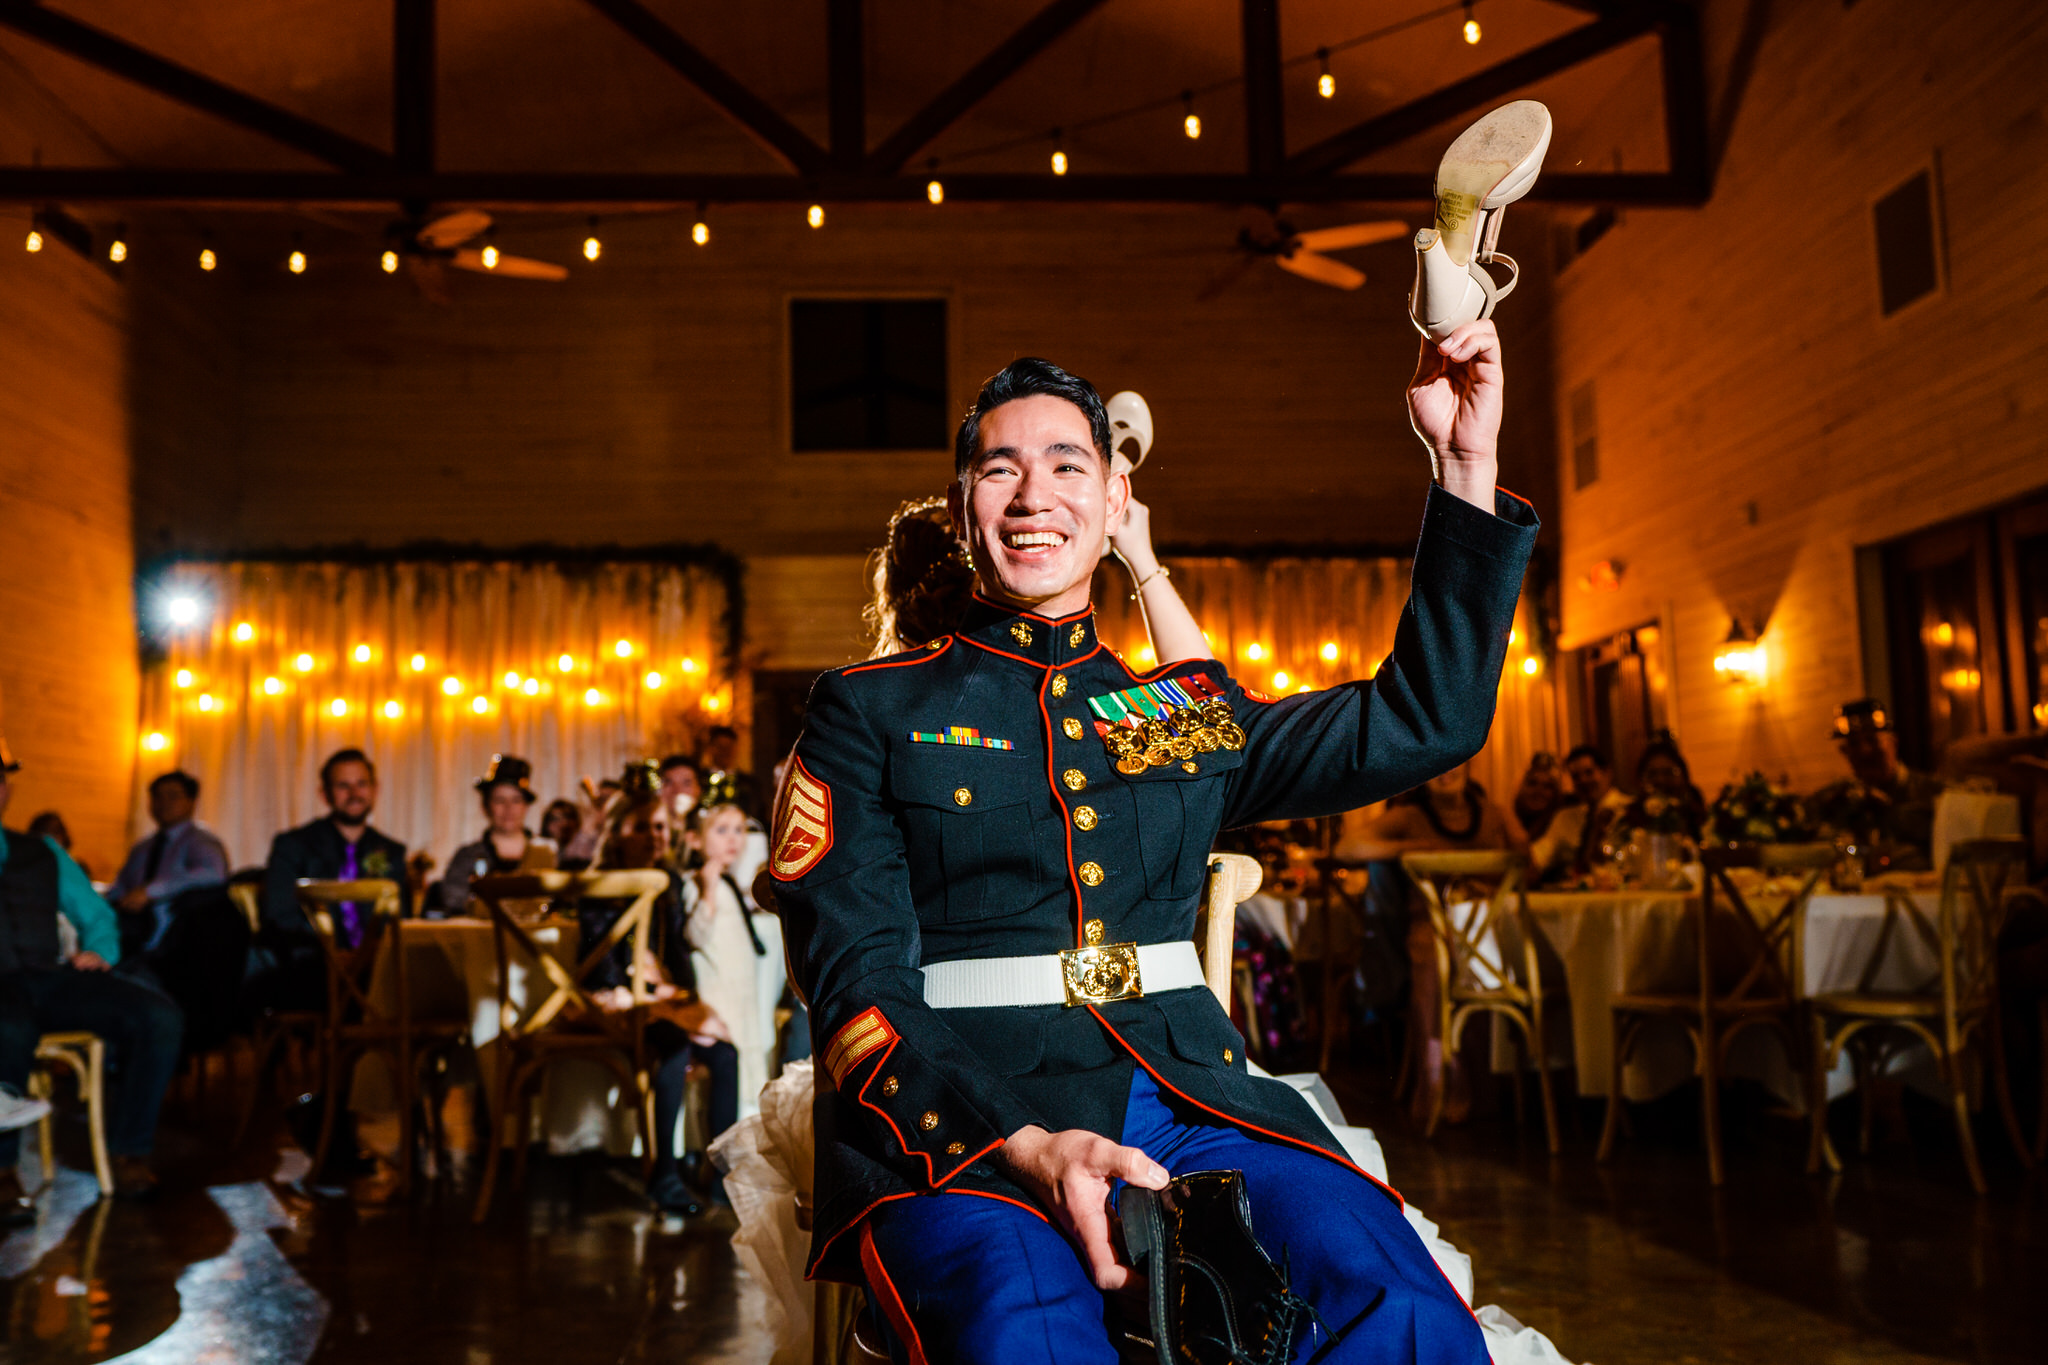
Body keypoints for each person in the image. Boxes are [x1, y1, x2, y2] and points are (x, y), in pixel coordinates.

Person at [771, 330, 1535, 1362]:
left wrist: (1462, 466)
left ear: (1114, 499)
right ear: (961, 511)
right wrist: (1025, 1145)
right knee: (1024, 1334)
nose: (1033, 496)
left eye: (1065, 466)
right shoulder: (870, 711)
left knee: (1393, 1301)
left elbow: (1423, 722)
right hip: (963, 1126)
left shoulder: (1163, 713)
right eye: (1000, 469)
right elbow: (853, 986)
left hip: (1189, 1103)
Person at [0, 739, 183, 1211]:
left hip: (47, 977)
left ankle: (130, 1151)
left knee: (157, 1017)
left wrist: (100, 950)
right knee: (9, 1028)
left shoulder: (41, 852)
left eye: (0, 778)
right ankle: (2, 1172)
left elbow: (97, 916)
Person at [583, 773, 740, 1216]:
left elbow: (678, 952)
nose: (655, 836)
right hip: (613, 1000)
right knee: (671, 1048)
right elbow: (597, 961)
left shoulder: (667, 881)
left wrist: (672, 988)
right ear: (616, 834)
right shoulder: (597, 886)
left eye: (659, 827)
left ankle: (720, 1176)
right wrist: (639, 979)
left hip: (658, 998)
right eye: (641, 828)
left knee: (724, 1053)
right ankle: (663, 1174)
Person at [1335, 766, 1528, 1125]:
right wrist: (1409, 848)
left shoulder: (1493, 813)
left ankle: (1503, 1095)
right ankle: (1446, 1095)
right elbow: (1347, 848)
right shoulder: (1409, 817)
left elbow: (1525, 855)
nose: (1447, 772)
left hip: (1491, 929)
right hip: (1430, 930)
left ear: (1470, 768)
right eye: (1439, 765)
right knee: (1435, 972)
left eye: (1456, 763)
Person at [249, 748, 408, 1013]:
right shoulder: (293, 846)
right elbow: (281, 914)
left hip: (375, 967)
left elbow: (399, 918)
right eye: (343, 786)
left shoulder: (390, 851)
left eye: (361, 784)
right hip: (311, 966)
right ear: (325, 794)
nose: (354, 793)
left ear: (375, 789)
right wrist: (334, 953)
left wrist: (367, 955)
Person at [679, 801, 779, 1121]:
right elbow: (696, 934)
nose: (733, 839)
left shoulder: (726, 881)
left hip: (739, 992)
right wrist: (707, 888)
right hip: (718, 994)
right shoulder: (700, 882)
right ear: (696, 839)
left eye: (739, 830)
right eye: (722, 831)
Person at [106, 770, 230, 958]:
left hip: (181, 945)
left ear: (191, 801)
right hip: (132, 939)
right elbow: (121, 885)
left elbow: (214, 872)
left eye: (173, 796)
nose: (163, 803)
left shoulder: (201, 841)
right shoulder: (142, 848)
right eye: (157, 797)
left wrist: (151, 892)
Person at [1809, 698, 1941, 870]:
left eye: (1872, 740)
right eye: (1854, 744)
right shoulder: (1835, 800)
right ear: (1844, 752)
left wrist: (1891, 813)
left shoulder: (1932, 793)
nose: (1865, 751)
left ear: (1893, 742)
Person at [435, 755, 558, 914]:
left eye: (516, 800)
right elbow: (453, 900)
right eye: (500, 800)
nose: (508, 808)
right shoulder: (467, 856)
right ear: (485, 807)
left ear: (525, 807)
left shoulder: (548, 853)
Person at [1528, 744, 1632, 883]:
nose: (1583, 780)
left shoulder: (1630, 810)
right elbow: (1541, 853)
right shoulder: (1566, 817)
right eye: (1576, 776)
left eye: (1589, 773)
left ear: (1607, 773)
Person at [1615, 732, 1709, 843]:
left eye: (1668, 773)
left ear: (1683, 776)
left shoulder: (1695, 813)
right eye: (1652, 774)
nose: (1660, 780)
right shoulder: (1632, 816)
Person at [1511, 751, 1566, 841]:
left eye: (1547, 786)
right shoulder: (1511, 825)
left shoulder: (1563, 829)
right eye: (1533, 783)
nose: (1539, 792)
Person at [24, 812, 86, 879]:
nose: (50, 840)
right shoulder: (27, 868)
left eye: (56, 832)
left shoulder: (76, 867)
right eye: (46, 832)